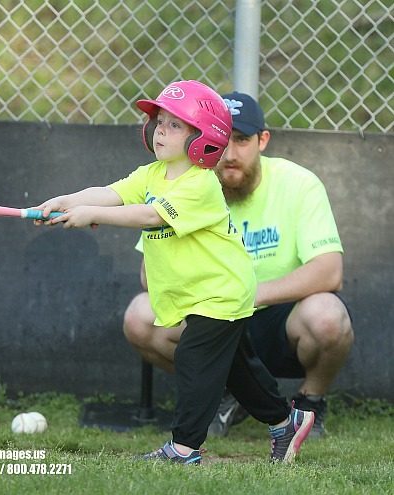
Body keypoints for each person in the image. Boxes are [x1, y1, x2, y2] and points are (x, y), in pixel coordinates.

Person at [34, 81, 314, 464]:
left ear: (204, 136)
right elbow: (112, 193)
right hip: (197, 294)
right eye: (160, 121)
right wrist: (69, 200)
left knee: (194, 360)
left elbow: (150, 214)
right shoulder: (153, 174)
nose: (161, 129)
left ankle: (183, 448)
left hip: (220, 291)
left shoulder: (199, 184)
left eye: (175, 124)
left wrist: (93, 216)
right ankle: (287, 421)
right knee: (236, 371)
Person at [123, 91, 354, 439]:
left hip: (278, 315)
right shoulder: (186, 180)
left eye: (242, 140)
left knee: (328, 315)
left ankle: (309, 404)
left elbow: (330, 270)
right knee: (139, 316)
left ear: (263, 140)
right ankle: (225, 395)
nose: (229, 154)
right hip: (209, 314)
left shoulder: (298, 182)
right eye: (221, 140)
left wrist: (250, 295)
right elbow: (147, 274)